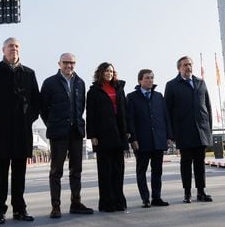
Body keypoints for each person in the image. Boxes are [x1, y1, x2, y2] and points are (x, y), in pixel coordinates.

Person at [0, 37, 40, 224]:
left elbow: (37, 101)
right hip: (0, 131)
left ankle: (20, 210)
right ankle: (0, 211)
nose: (14, 49)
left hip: (22, 131)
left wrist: (29, 118)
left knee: (20, 174)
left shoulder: (29, 73)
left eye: (17, 46)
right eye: (11, 46)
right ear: (3, 50)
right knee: (1, 174)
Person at [40, 53, 94, 219]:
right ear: (59, 63)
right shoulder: (50, 82)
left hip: (76, 132)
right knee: (56, 170)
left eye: (72, 63)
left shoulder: (80, 83)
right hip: (58, 132)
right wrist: (52, 123)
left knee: (76, 169)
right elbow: (43, 108)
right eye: (66, 63)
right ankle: (55, 206)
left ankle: (76, 203)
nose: (69, 66)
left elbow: (81, 107)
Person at [164, 56, 213, 203]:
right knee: (186, 163)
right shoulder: (172, 85)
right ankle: (187, 193)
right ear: (179, 68)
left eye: (190, 64)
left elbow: (208, 107)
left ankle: (201, 192)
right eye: (185, 65)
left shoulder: (200, 83)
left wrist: (208, 129)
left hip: (201, 131)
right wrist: (171, 133)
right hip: (183, 131)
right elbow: (168, 111)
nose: (188, 67)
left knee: (200, 163)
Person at [126, 69, 173, 208]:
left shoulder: (159, 96)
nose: (150, 80)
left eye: (152, 78)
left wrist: (169, 136)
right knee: (141, 170)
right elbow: (130, 120)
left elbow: (166, 117)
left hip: (158, 139)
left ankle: (156, 197)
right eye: (147, 78)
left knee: (157, 170)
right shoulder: (132, 97)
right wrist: (133, 139)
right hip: (141, 141)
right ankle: (145, 198)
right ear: (140, 80)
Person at [86, 62, 128, 212]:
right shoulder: (93, 91)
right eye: (106, 71)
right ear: (100, 73)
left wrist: (127, 131)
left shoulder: (119, 88)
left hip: (119, 134)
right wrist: (92, 135)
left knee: (118, 170)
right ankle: (107, 203)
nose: (109, 73)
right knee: (105, 171)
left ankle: (119, 201)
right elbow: (90, 114)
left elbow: (125, 111)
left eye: (111, 71)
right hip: (103, 135)